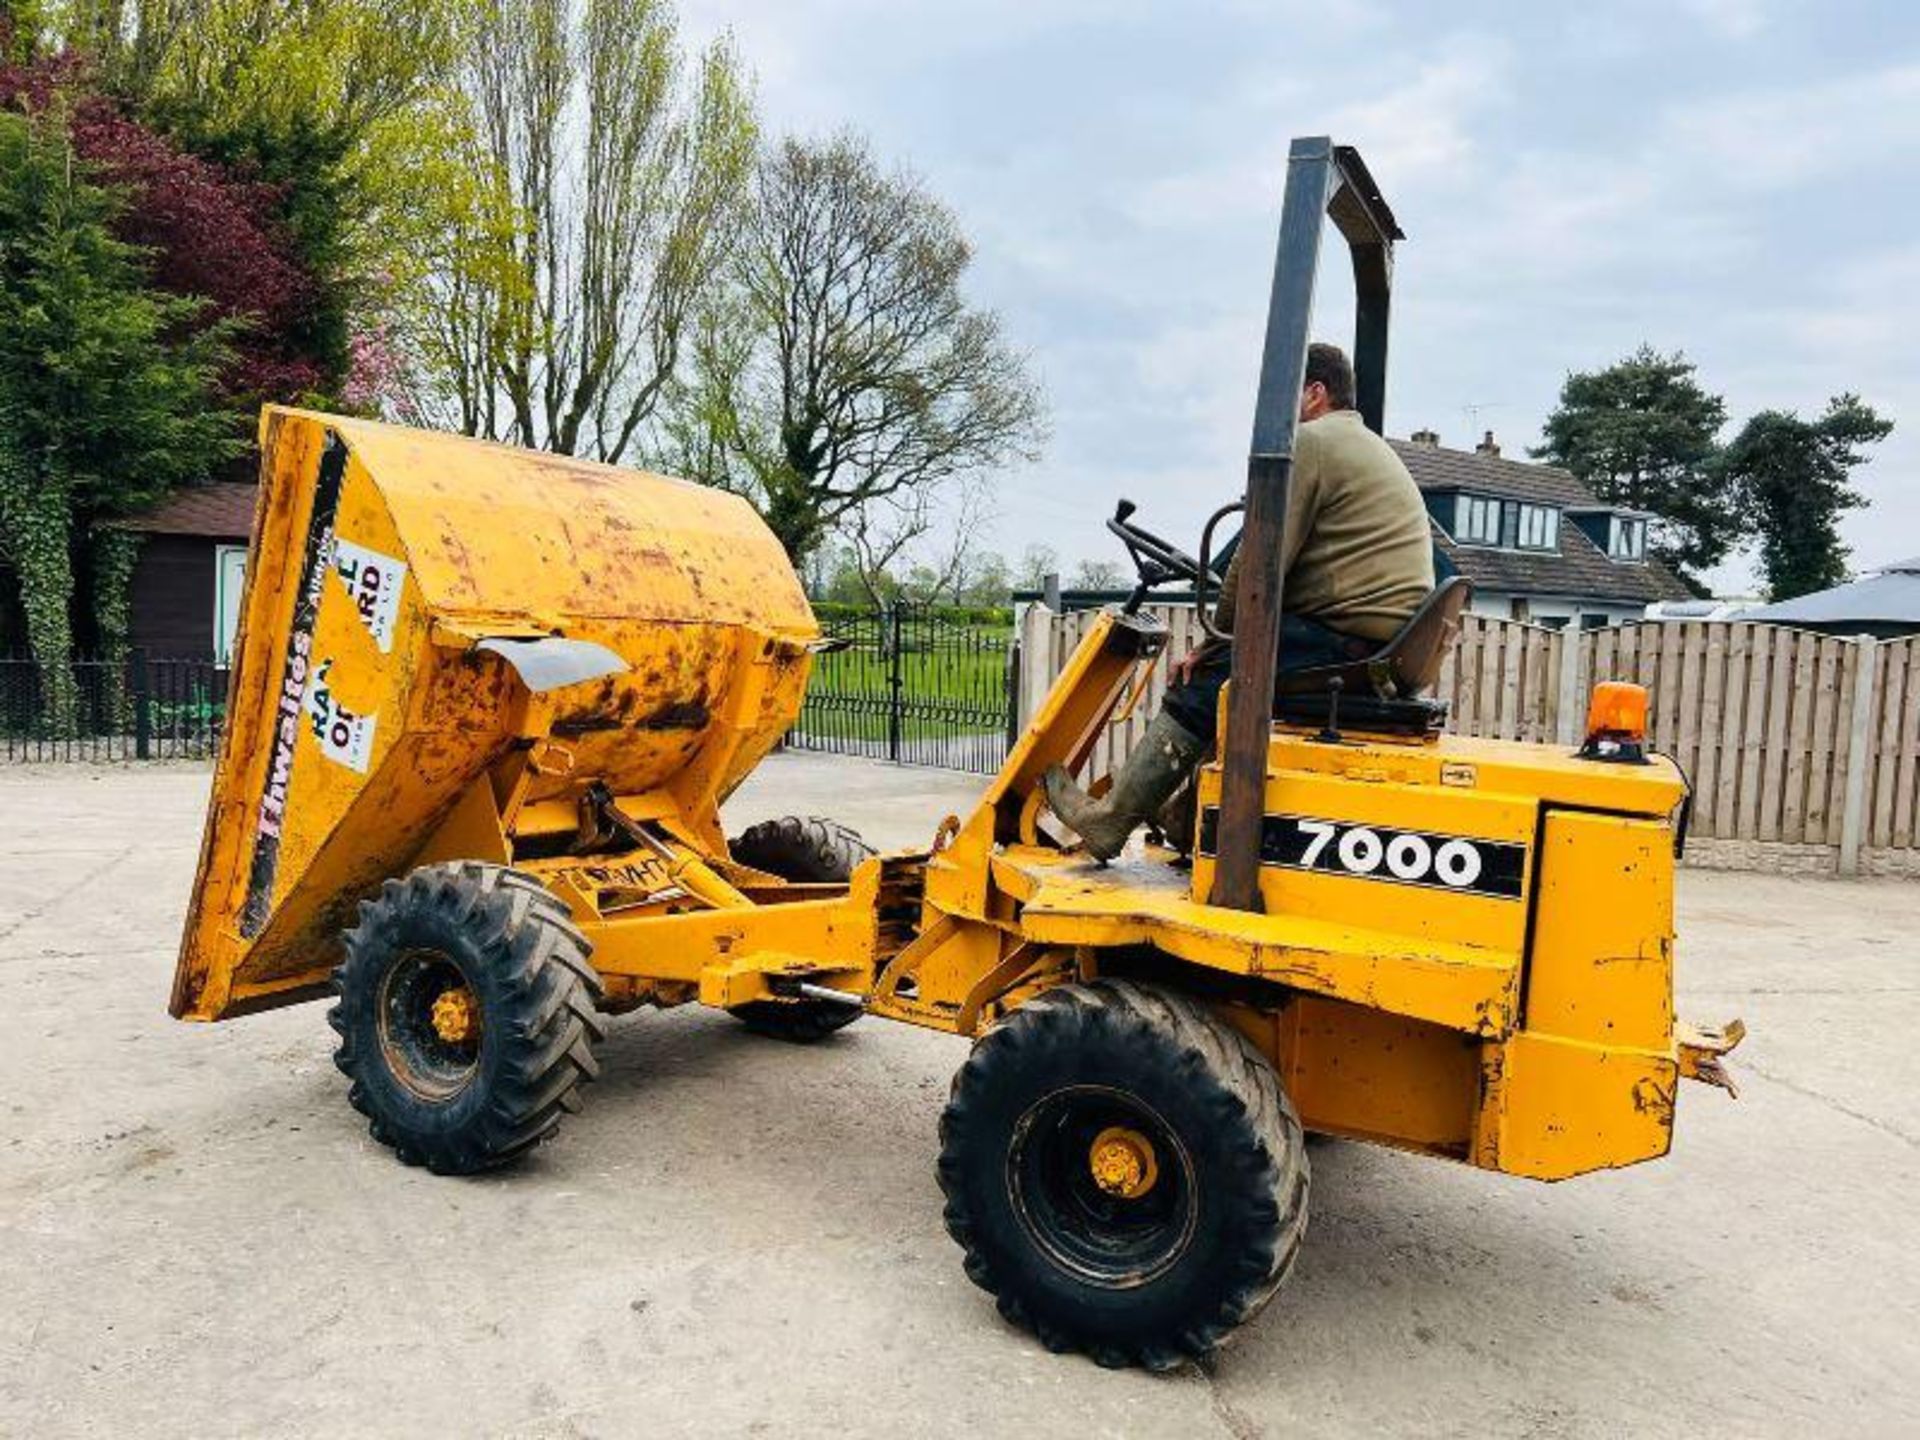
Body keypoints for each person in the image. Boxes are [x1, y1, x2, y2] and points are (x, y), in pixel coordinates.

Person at [1043, 342, 1435, 860]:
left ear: (1315, 393)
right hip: (1379, 639)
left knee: (1207, 682)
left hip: (1351, 640)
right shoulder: (1359, 445)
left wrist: (1210, 648)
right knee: (1230, 672)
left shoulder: (1314, 443)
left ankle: (1109, 822)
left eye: (1283, 395)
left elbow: (1257, 564)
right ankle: (1186, 818)